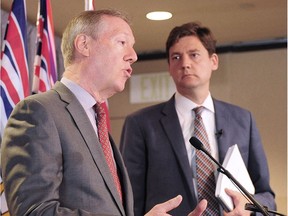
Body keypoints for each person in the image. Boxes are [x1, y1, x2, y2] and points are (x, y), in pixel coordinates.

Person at [1, 10, 207, 216]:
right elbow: (34, 211)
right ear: (84, 45)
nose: (133, 56)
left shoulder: (96, 121)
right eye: (122, 42)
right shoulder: (37, 112)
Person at [120, 22, 276, 216]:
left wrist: (248, 210)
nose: (185, 63)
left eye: (194, 55)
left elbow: (266, 196)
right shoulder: (141, 124)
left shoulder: (243, 120)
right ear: (169, 66)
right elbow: (129, 200)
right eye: (176, 57)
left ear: (214, 61)